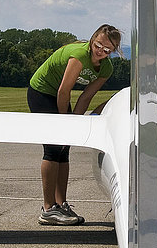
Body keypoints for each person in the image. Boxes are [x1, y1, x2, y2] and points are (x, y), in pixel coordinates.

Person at [27, 24, 122, 225]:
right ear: (92, 39)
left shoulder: (106, 68)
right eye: (98, 45)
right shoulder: (79, 55)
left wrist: (74, 127)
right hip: (42, 91)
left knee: (64, 148)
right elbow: (64, 91)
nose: (101, 52)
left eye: (107, 51)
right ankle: (47, 208)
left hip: (59, 95)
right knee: (53, 147)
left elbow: (86, 97)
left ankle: (61, 204)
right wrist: (65, 125)